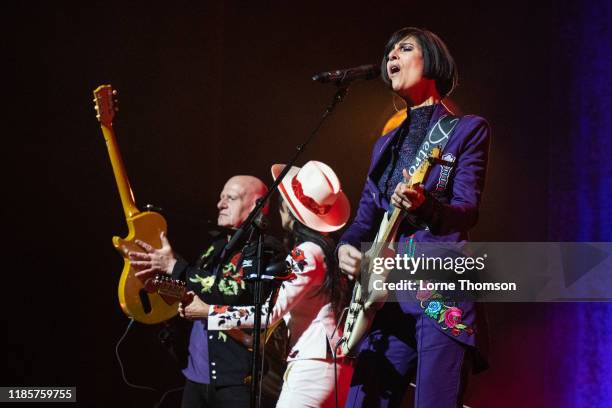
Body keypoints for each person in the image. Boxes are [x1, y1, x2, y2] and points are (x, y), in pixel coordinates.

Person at [337, 27, 491, 407]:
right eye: (389, 51)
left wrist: (424, 205)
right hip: (383, 298)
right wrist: (344, 246)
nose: (392, 56)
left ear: (434, 62)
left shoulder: (465, 131)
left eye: (405, 48)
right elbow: (364, 220)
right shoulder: (384, 146)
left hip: (437, 291)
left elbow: (465, 213)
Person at [185, 161, 355, 408]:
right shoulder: (328, 250)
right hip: (328, 363)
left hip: (313, 365)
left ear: (290, 210)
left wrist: (208, 312)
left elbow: (267, 313)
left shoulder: (306, 253)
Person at [129, 175, 284, 408]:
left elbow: (234, 292)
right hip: (195, 377)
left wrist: (175, 266)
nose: (219, 204)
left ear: (255, 205)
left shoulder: (266, 249)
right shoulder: (216, 246)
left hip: (235, 382)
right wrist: (155, 280)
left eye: (230, 198)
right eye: (221, 197)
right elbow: (192, 294)